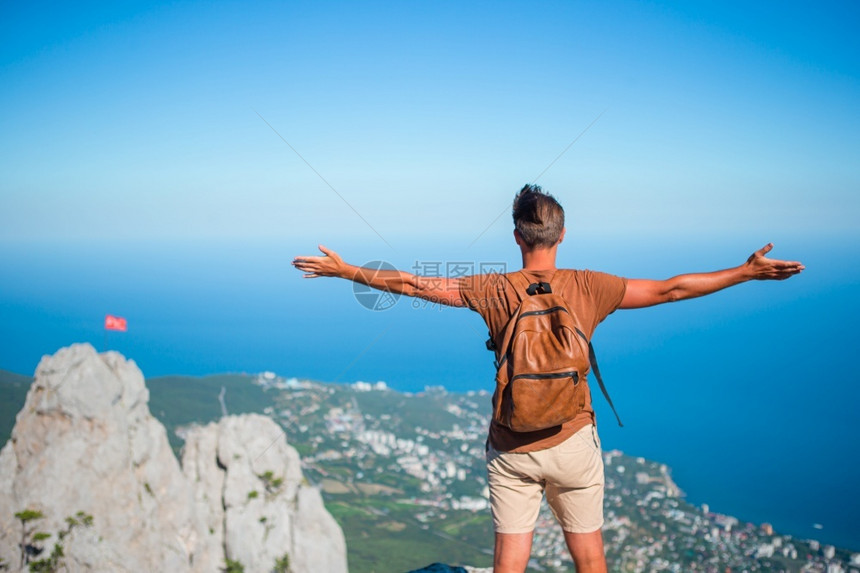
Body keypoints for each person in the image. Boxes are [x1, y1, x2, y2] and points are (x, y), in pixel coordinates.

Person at [291, 185, 804, 573]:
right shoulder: (590, 286)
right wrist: (745, 271)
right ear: (562, 235)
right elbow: (672, 289)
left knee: (508, 563)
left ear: (517, 236)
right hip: (574, 442)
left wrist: (347, 270)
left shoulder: (491, 289)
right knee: (590, 558)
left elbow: (412, 283)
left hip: (512, 450)